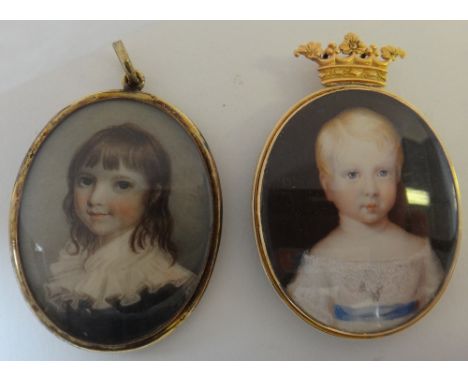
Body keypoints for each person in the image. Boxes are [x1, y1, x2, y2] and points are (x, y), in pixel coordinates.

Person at [287, 108, 444, 333]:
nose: (370, 189)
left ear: (398, 176)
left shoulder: (418, 249)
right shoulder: (322, 260)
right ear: (327, 185)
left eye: (382, 173)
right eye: (352, 174)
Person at [44, 123, 195, 344]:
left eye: (122, 185)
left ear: (152, 196)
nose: (95, 199)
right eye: (86, 181)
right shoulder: (74, 261)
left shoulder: (159, 282)